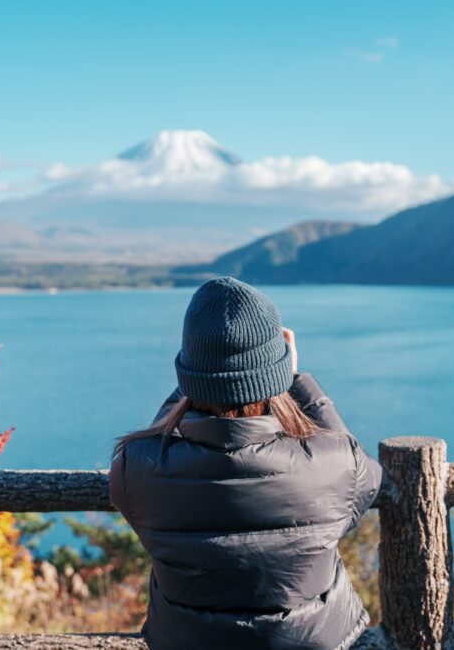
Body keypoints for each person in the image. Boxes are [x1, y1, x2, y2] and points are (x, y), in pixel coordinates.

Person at [110, 276, 383, 650]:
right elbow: (366, 479)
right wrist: (297, 379)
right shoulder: (334, 462)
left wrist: (200, 377)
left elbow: (159, 438)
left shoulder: (136, 468)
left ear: (188, 374)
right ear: (275, 376)